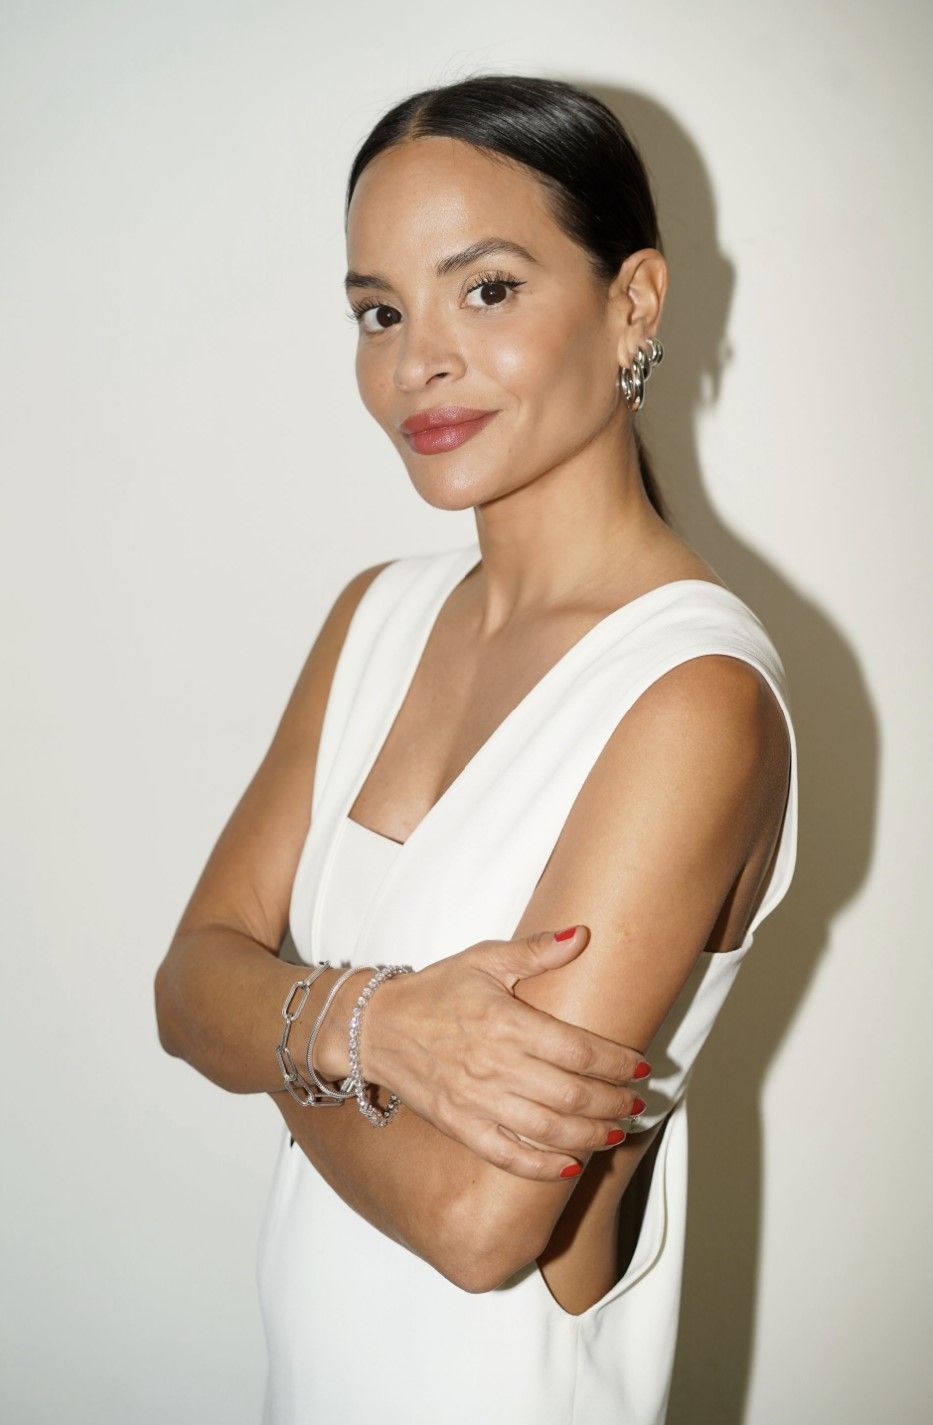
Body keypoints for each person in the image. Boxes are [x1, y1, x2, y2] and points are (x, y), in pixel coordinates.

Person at [154, 74, 798, 1425]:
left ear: (632, 303)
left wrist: (282, 1023)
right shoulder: (373, 617)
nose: (414, 361)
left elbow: (475, 1220)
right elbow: (180, 983)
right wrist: (382, 1025)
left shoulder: (689, 697)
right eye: (379, 311)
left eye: (485, 289)